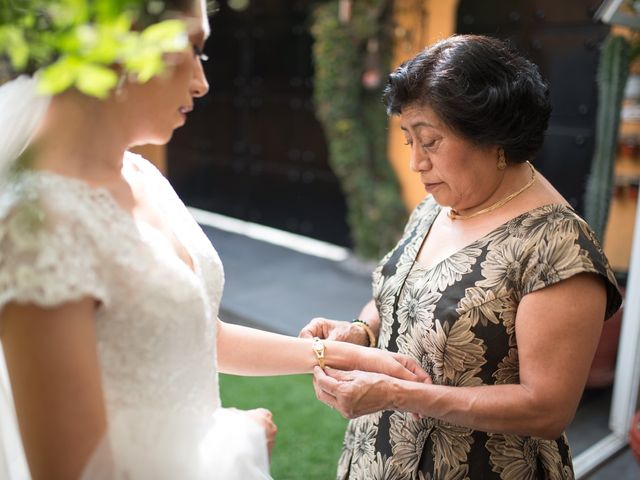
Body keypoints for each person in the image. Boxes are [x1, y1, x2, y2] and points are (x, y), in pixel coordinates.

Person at [0, 1, 428, 479]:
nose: (203, 83)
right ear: (123, 44)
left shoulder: (142, 174)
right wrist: (234, 443)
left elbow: (200, 333)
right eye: (196, 50)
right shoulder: (37, 228)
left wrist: (339, 353)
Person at [300, 34, 623, 479]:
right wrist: (358, 331)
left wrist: (399, 395)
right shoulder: (438, 205)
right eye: (407, 138)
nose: (415, 162)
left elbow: (546, 407)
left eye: (429, 141)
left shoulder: (556, 247)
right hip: (380, 455)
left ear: (494, 138)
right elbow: (405, 291)